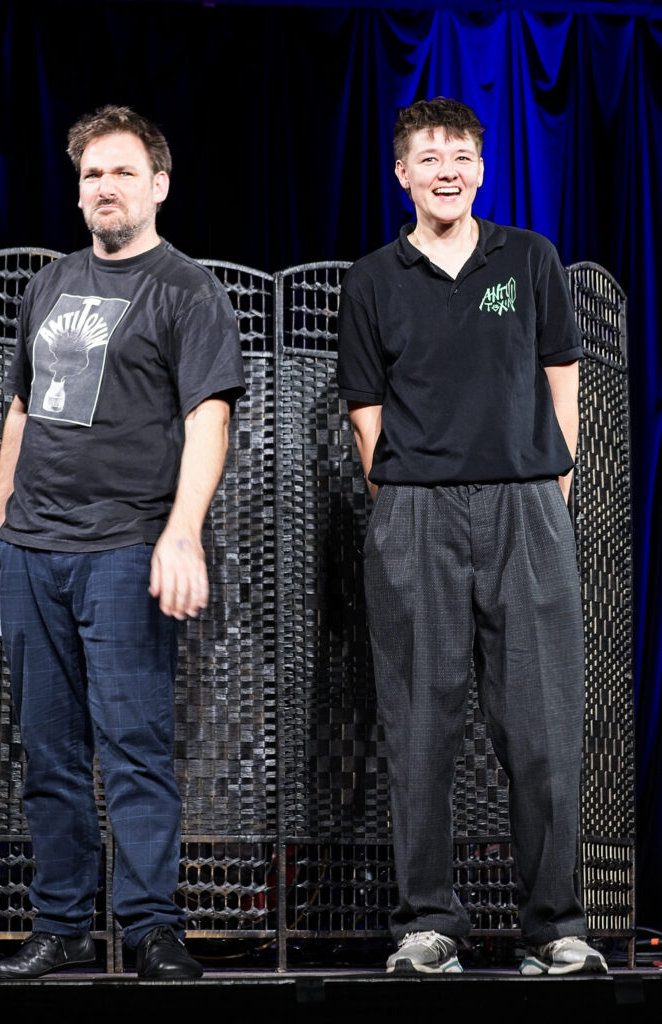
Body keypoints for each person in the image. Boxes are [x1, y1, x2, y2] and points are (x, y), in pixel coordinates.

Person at [337, 97, 607, 977]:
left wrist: (552, 483)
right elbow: (365, 408)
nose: (445, 168)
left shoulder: (525, 258)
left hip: (525, 507)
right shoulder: (374, 276)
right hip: (415, 513)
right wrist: (402, 486)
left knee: (540, 724)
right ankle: (428, 924)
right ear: (401, 174)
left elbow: (561, 375)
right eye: (427, 156)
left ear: (480, 171)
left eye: (460, 154)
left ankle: (554, 925)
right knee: (420, 724)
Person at [0, 105, 245, 980]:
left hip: (124, 548)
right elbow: (21, 413)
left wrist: (181, 533)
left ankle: (150, 927)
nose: (105, 187)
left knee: (132, 746)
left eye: (122, 172)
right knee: (47, 752)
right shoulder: (49, 284)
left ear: (158, 186)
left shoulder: (187, 290)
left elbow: (209, 418)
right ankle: (59, 926)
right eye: (92, 173)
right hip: (31, 553)